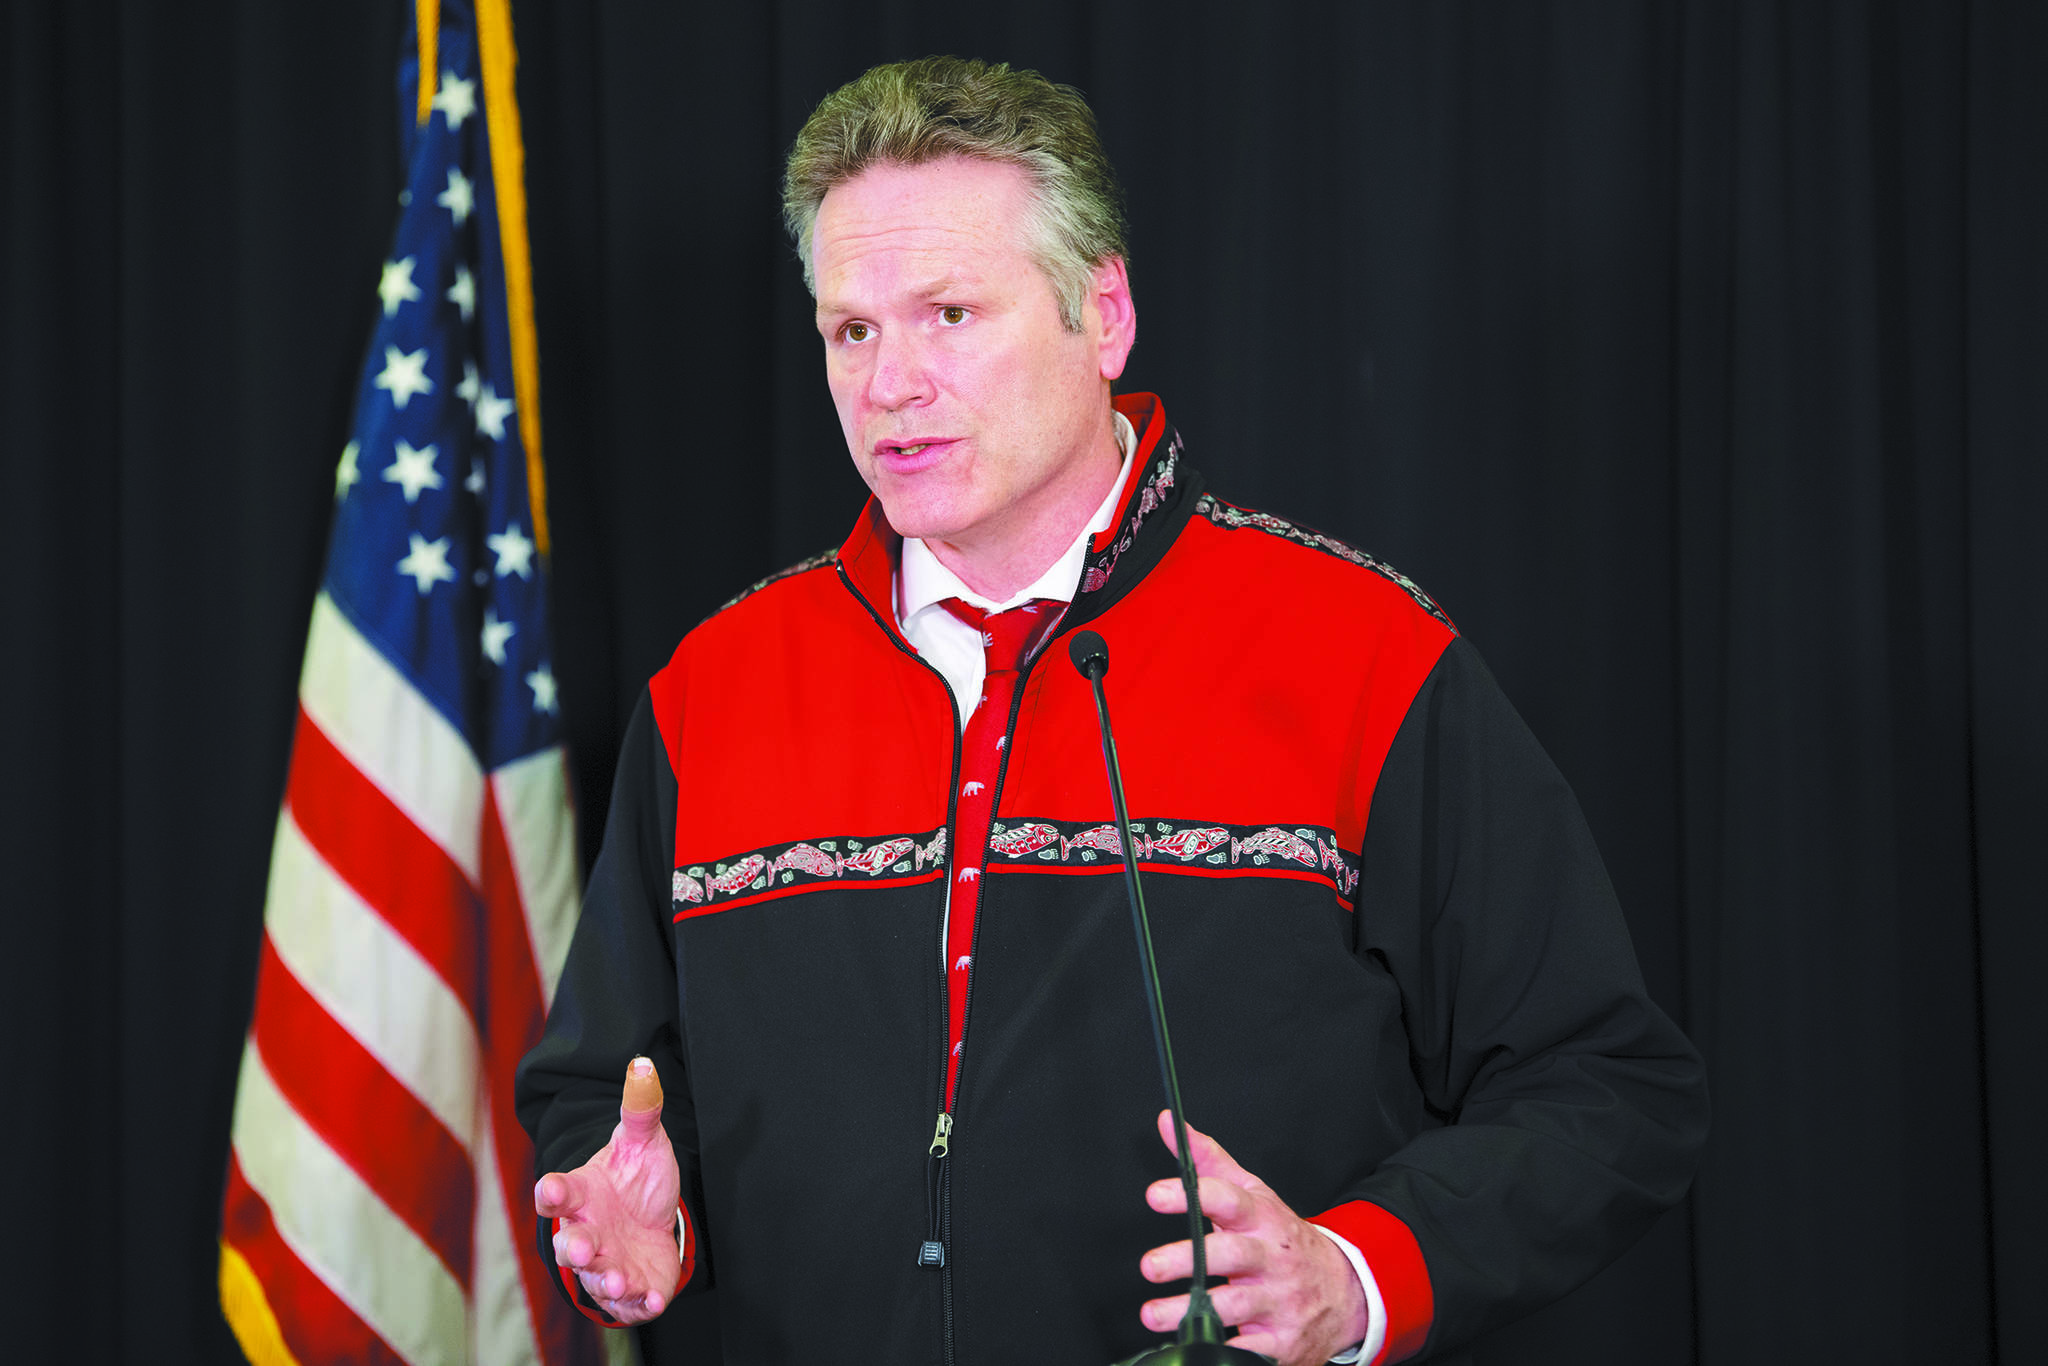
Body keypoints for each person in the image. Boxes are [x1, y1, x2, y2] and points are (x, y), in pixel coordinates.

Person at [515, 55, 1708, 1366]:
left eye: (951, 314)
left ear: (1105, 314)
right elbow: (604, 1091)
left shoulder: (1360, 655)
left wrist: (1355, 1273)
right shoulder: (717, 689)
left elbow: (1607, 1089)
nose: (891, 382)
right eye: (852, 329)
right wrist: (645, 1228)